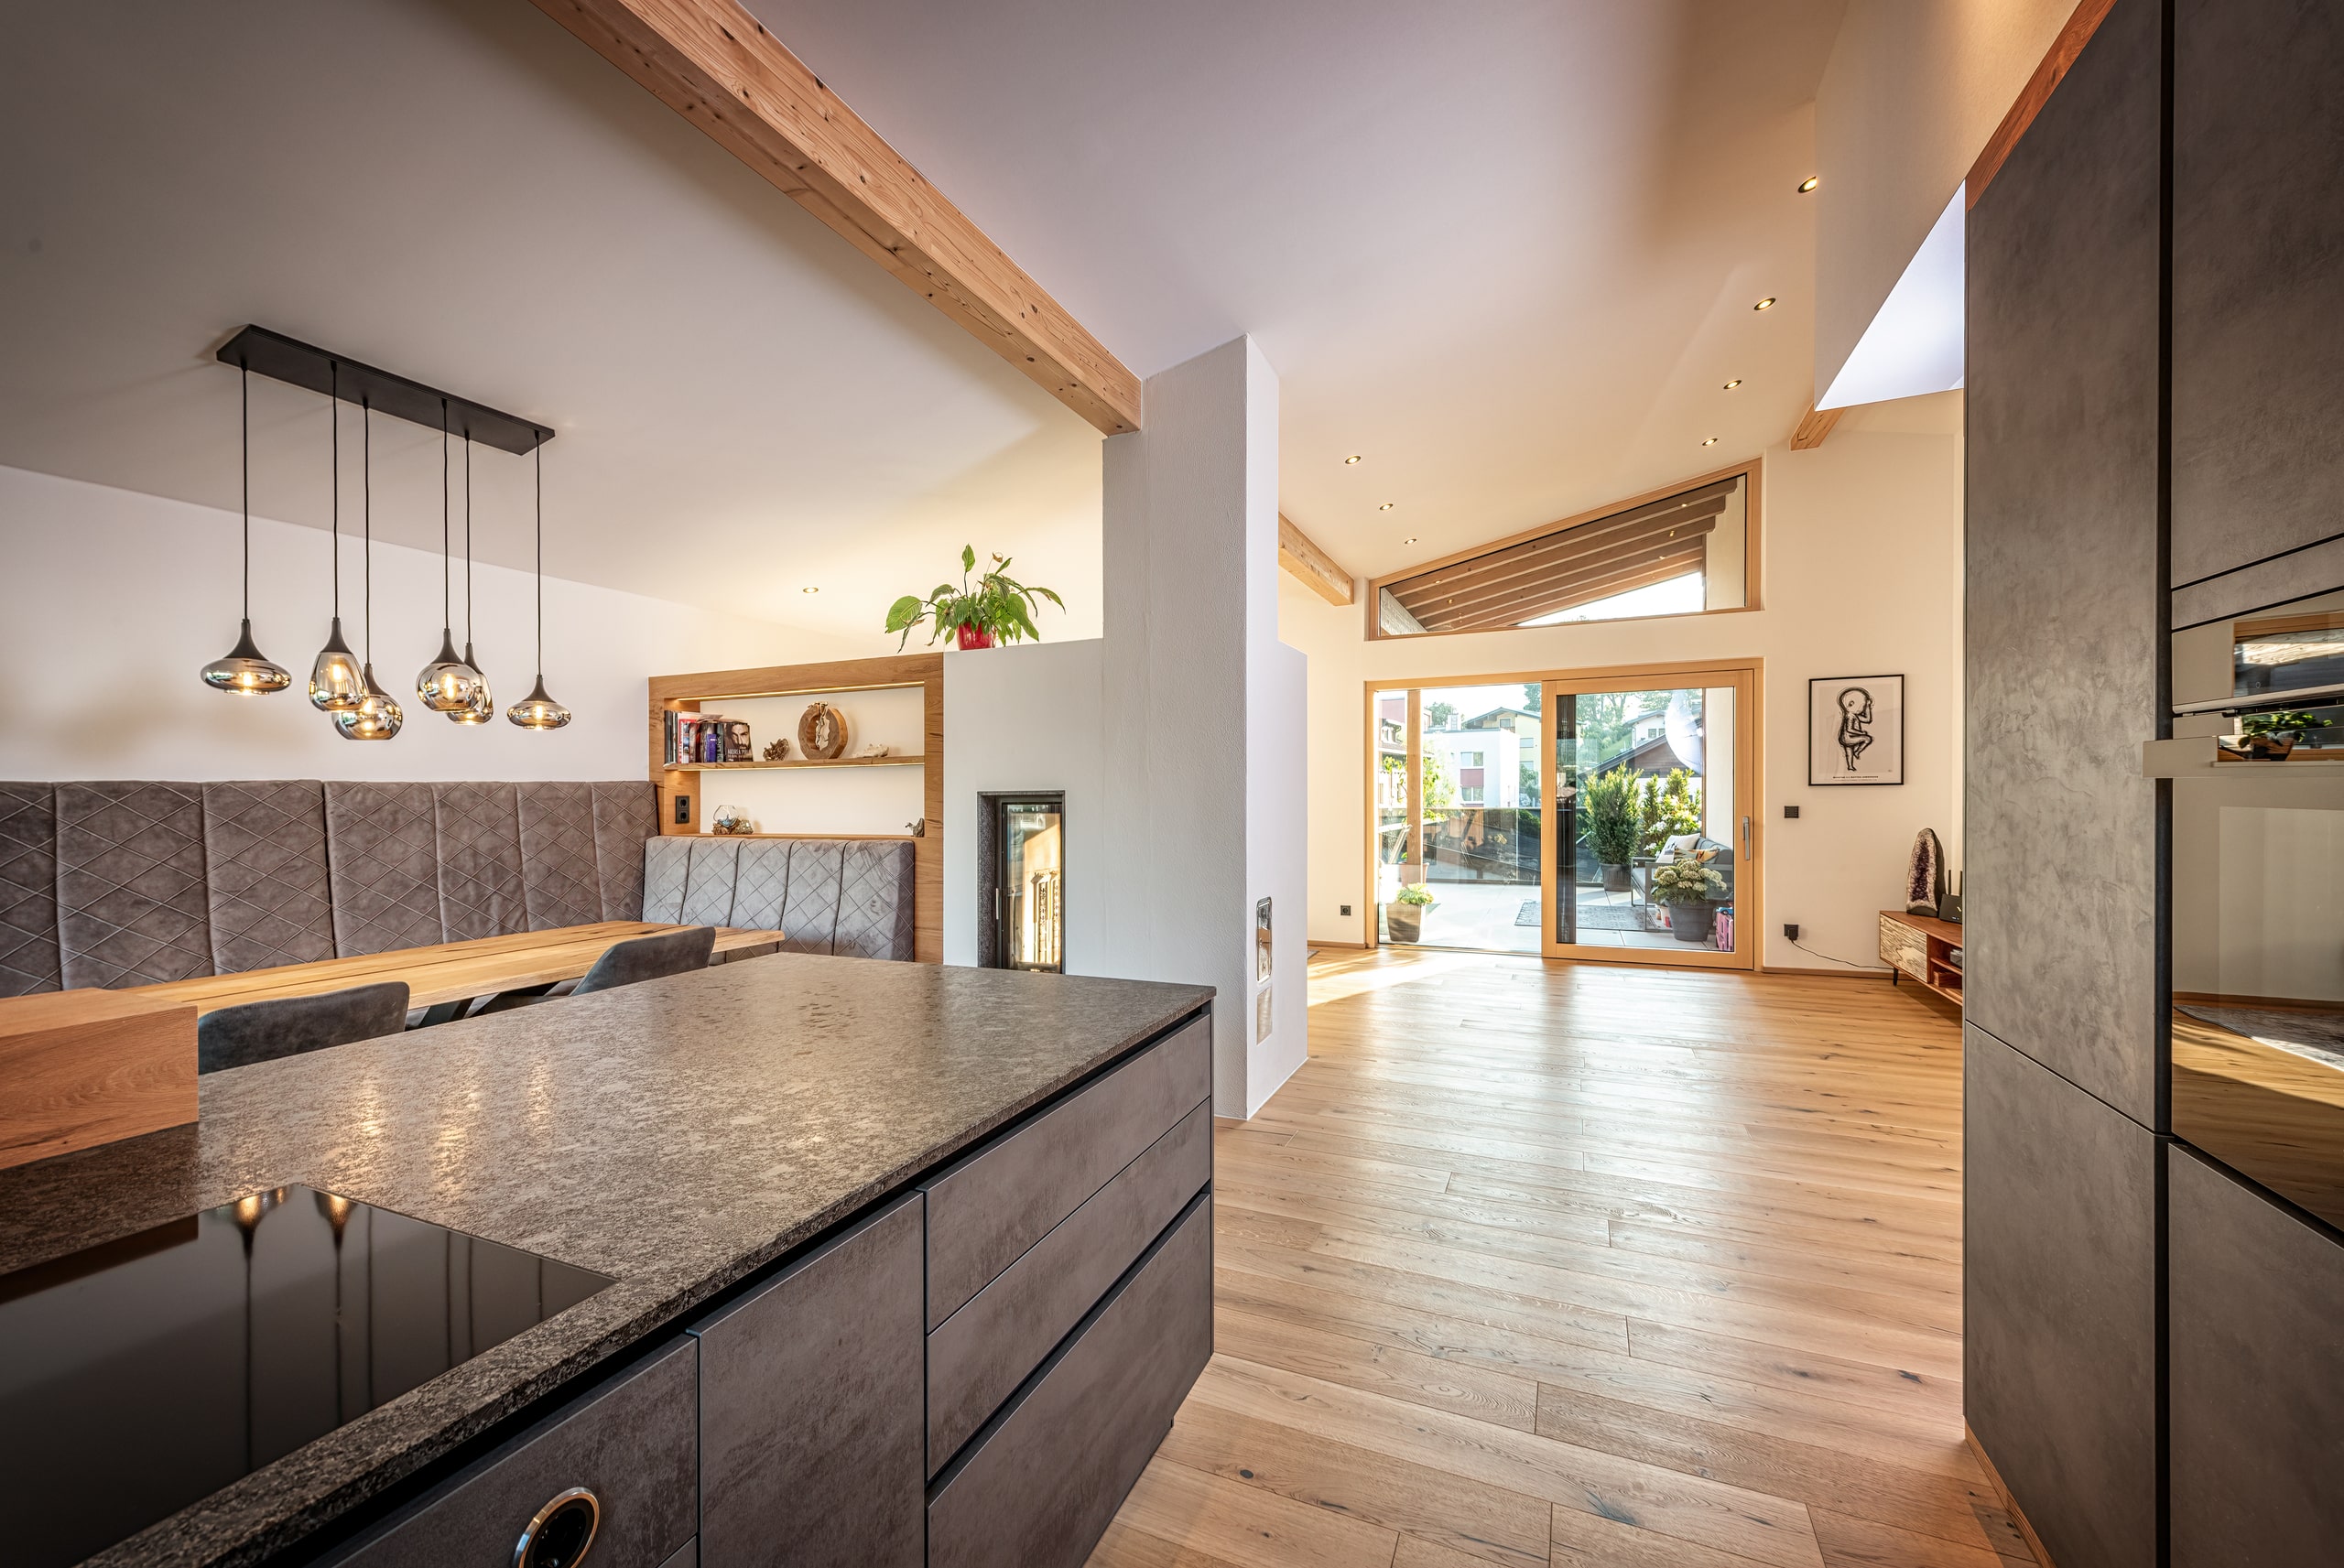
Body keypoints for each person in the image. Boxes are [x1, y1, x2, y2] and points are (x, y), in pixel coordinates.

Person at [1837, 686, 1874, 773]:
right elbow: (1849, 729)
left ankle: (1850, 766)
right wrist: (1861, 732)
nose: (1863, 709)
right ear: (1851, 704)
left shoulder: (1853, 715)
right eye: (1863, 706)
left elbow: (1867, 720)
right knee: (1867, 739)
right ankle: (1857, 752)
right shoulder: (1850, 716)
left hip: (1845, 738)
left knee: (1849, 752)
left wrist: (1868, 706)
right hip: (1848, 738)